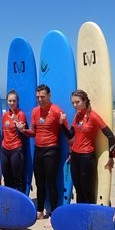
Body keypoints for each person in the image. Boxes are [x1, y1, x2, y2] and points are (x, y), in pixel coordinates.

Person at [20, 84, 67, 219]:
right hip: (38, 150)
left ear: (49, 95)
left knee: (51, 182)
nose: (40, 99)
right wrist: (23, 130)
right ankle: (40, 210)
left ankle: (53, 213)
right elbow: (33, 132)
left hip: (52, 150)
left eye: (43, 97)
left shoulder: (57, 111)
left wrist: (70, 151)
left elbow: (68, 133)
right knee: (39, 182)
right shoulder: (35, 111)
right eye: (38, 97)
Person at [61, 89, 115, 204]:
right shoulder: (77, 116)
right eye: (73, 103)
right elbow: (70, 135)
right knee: (78, 189)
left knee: (87, 190)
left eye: (77, 102)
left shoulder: (93, 116)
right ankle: (80, 216)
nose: (75, 105)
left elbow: (110, 136)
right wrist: (62, 124)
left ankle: (89, 217)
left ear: (85, 101)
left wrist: (111, 157)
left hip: (87, 157)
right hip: (75, 157)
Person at [1, 90, 28, 192]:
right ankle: (9, 202)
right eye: (9, 101)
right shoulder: (4, 115)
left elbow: (23, 133)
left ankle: (21, 202)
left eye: (14, 101)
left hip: (16, 149)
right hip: (4, 149)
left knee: (18, 179)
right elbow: (3, 133)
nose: (11, 103)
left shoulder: (21, 115)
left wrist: (18, 124)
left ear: (17, 101)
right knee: (7, 178)